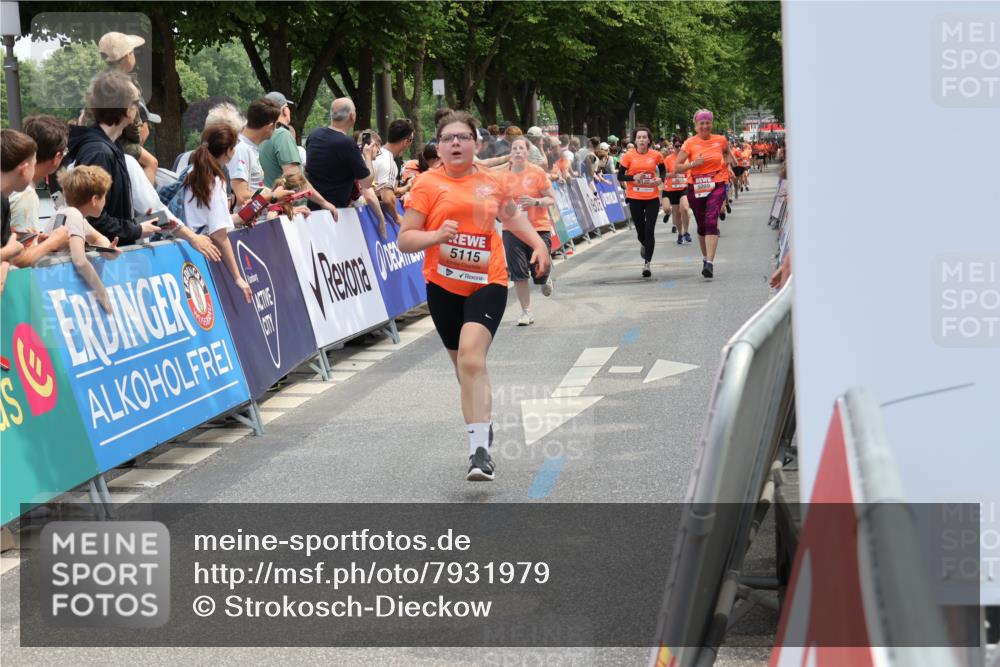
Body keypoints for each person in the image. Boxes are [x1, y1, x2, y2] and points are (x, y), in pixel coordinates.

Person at [397, 111, 551, 482]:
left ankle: (479, 452)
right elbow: (405, 239)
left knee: (471, 358)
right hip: (443, 286)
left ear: (475, 144)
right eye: (447, 138)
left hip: (487, 282)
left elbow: (511, 217)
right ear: (438, 146)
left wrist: (538, 244)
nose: (455, 143)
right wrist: (435, 237)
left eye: (462, 137)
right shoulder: (426, 184)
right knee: (464, 368)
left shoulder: (492, 181)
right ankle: (482, 421)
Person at [63, 70, 161, 245]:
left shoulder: (109, 146)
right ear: (126, 109)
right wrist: (136, 230)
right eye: (136, 102)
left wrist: (136, 226)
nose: (137, 108)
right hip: (107, 254)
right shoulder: (99, 152)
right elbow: (93, 217)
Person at [183, 124, 252, 303]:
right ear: (228, 151)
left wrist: (241, 218)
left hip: (184, 247)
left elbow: (209, 219)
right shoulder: (215, 181)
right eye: (234, 148)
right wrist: (237, 277)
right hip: (200, 256)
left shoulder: (191, 171)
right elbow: (219, 235)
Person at [500, 136, 557, 325]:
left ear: (527, 152)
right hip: (513, 230)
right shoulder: (503, 176)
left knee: (540, 271)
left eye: (521, 148)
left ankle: (545, 279)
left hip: (538, 228)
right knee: (518, 272)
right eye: (514, 148)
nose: (517, 151)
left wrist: (535, 202)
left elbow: (551, 198)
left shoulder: (537, 172)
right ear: (510, 152)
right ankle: (526, 311)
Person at [673, 109, 735, 279]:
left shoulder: (720, 140)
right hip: (696, 186)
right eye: (702, 123)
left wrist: (726, 166)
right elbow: (677, 167)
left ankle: (710, 263)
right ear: (696, 125)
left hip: (717, 183)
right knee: (701, 225)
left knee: (711, 221)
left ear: (711, 123)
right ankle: (705, 257)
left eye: (708, 123)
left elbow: (727, 153)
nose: (705, 126)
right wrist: (693, 164)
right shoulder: (689, 143)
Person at [259, 91, 339, 217]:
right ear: (284, 110)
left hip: (269, 209)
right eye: (288, 108)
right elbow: (295, 178)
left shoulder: (262, 135)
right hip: (288, 211)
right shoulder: (282, 135)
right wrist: (323, 202)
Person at [55, 165, 123, 313]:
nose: (105, 201)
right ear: (94, 199)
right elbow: (79, 260)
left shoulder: (71, 214)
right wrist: (102, 293)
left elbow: (97, 237)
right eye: (104, 197)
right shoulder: (74, 215)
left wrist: (107, 249)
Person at [97, 31, 159, 185]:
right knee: (152, 163)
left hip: (97, 139)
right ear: (127, 56)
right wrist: (138, 141)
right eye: (132, 52)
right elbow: (135, 132)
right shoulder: (127, 87)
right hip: (118, 143)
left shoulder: (100, 82)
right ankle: (142, 199)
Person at [305, 97, 379, 209]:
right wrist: (367, 156)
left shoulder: (314, 135)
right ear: (352, 116)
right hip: (335, 210)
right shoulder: (347, 143)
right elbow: (366, 183)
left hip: (313, 206)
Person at [617, 125, 664, 278]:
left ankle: (647, 264)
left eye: (644, 137)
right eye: (639, 137)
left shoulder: (656, 155)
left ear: (649, 140)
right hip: (635, 198)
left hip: (652, 198)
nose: (642, 140)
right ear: (635, 140)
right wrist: (633, 178)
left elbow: (663, 170)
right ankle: (644, 243)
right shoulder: (628, 156)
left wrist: (660, 179)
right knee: (640, 232)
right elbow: (620, 176)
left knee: (649, 230)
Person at [229, 98, 281, 206]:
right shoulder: (241, 149)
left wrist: (274, 198)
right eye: (277, 125)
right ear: (270, 126)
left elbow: (253, 189)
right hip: (242, 217)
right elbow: (241, 197)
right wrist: (274, 196)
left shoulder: (248, 148)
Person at [372, 118, 414, 224]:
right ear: (406, 141)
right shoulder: (389, 162)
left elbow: (381, 188)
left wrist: (407, 187)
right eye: (411, 140)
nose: (410, 144)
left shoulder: (377, 153)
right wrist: (397, 217)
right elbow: (387, 198)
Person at [661, 144, 692, 246]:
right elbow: (663, 174)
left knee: (685, 209)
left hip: (683, 188)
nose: (678, 148)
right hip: (671, 189)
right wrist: (671, 174)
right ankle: (680, 234)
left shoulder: (686, 159)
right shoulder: (668, 159)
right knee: (676, 213)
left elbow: (690, 174)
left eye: (680, 146)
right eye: (676, 146)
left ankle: (686, 232)